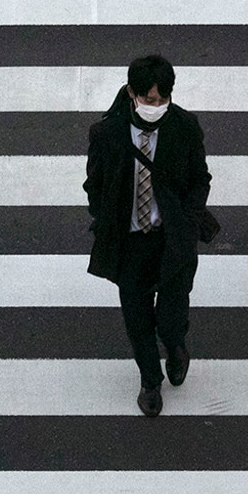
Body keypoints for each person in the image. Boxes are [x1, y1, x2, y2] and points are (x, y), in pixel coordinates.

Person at [85, 54, 212, 417]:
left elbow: (199, 178)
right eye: (148, 99)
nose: (155, 106)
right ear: (132, 93)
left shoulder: (184, 126)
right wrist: (104, 217)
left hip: (171, 237)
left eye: (161, 100)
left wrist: (187, 221)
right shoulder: (107, 133)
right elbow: (94, 183)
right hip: (129, 241)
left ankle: (175, 347)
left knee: (172, 317)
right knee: (137, 317)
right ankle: (150, 381)